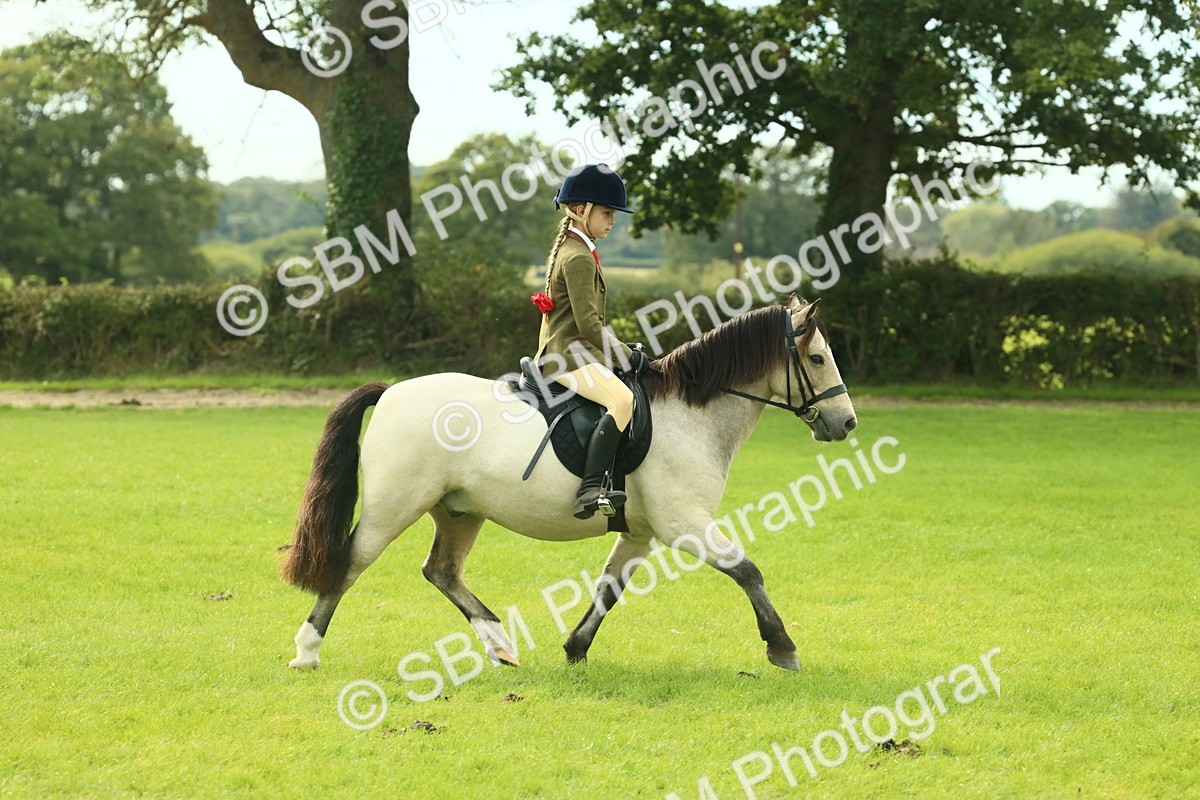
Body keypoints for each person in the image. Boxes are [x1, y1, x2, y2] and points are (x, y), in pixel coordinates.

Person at [531, 163, 647, 519]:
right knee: (623, 399)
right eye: (607, 212)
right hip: (567, 357)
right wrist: (626, 355)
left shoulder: (574, 247)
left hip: (572, 350)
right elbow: (588, 323)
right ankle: (590, 488)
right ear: (581, 211)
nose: (613, 221)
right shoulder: (579, 257)